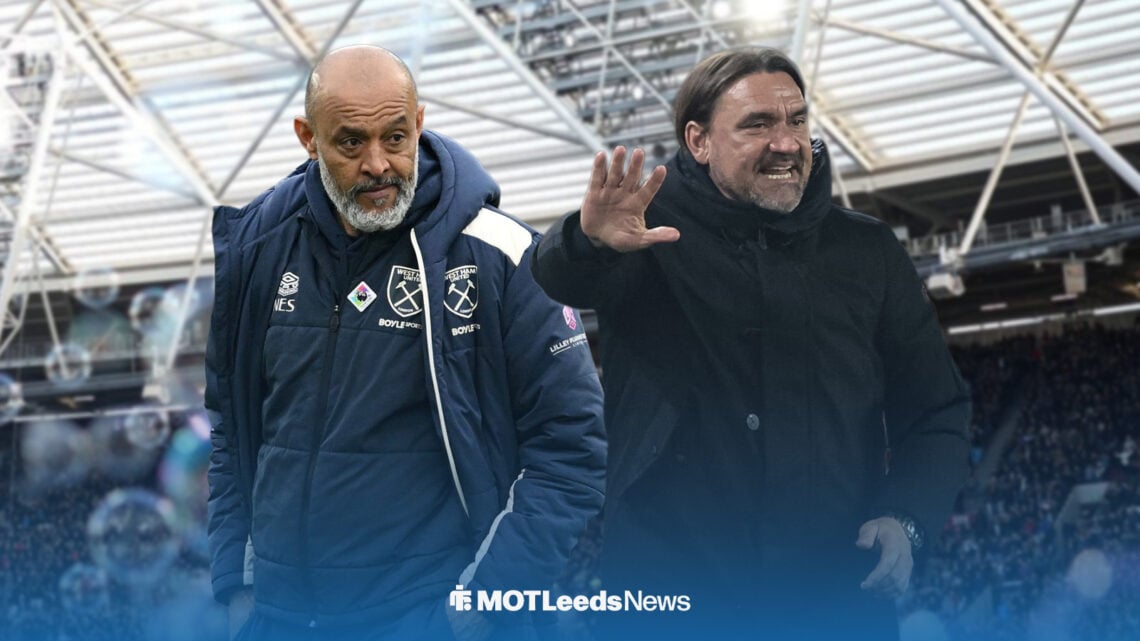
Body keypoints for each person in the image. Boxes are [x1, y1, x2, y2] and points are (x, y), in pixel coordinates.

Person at [532, 47, 971, 640]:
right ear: (699, 141)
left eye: (796, 120)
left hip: (834, 591)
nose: (787, 143)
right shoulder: (644, 232)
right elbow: (558, 276)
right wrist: (586, 240)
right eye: (757, 124)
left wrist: (907, 516)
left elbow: (937, 409)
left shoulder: (866, 251)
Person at [205, 45, 605, 641]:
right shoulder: (257, 249)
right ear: (307, 138)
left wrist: (482, 606)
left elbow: (572, 449)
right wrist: (234, 585)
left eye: (396, 137)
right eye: (350, 142)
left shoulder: (501, 255)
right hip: (280, 617)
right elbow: (231, 427)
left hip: (428, 616)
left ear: (419, 123)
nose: (379, 164)